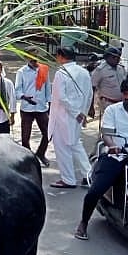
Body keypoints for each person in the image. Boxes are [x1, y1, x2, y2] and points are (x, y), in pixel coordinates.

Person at [75, 79, 128, 240]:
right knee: (96, 190)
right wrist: (112, 146)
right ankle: (83, 223)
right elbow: (107, 135)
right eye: (125, 94)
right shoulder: (112, 110)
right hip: (117, 155)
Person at [49, 46, 93, 188]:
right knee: (75, 144)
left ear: (61, 56)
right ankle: (88, 174)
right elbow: (89, 94)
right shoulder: (84, 72)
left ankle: (68, 179)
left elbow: (61, 97)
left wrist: (76, 112)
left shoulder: (62, 73)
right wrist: (83, 113)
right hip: (77, 116)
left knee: (63, 147)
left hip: (63, 116)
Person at [14, 52, 51, 167]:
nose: (35, 60)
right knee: (25, 137)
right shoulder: (22, 72)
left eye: (36, 57)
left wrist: (50, 103)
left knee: (48, 134)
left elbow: (48, 88)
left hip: (41, 107)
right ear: (27, 58)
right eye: (32, 57)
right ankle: (29, 159)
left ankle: (41, 153)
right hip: (27, 108)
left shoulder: (43, 69)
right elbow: (17, 90)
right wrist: (24, 97)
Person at [90, 47, 128, 118]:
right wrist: (91, 107)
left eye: (118, 57)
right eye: (114, 57)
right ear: (107, 58)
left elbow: (127, 83)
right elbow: (92, 88)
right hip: (108, 103)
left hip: (122, 102)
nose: (117, 59)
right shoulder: (100, 70)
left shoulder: (121, 68)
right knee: (110, 125)